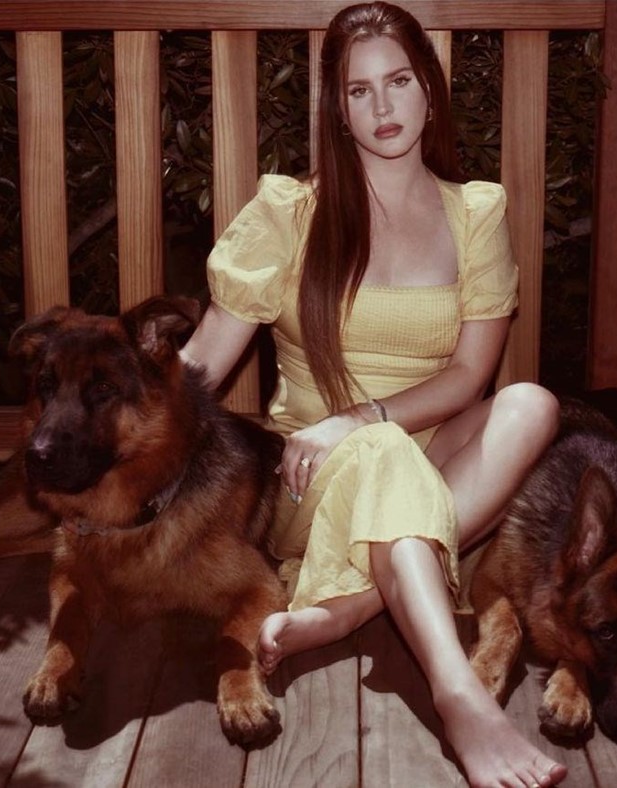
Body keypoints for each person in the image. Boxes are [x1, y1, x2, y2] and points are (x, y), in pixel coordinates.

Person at [181, 3, 566, 786]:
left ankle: (354, 605)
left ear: (429, 89)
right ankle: (459, 696)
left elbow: (470, 376)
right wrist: (114, 409)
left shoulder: (475, 213)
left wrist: (360, 419)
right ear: (338, 107)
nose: (383, 107)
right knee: (383, 451)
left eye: (399, 81)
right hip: (311, 476)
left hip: (427, 458)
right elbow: (200, 369)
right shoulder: (290, 213)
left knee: (533, 404)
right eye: (360, 91)